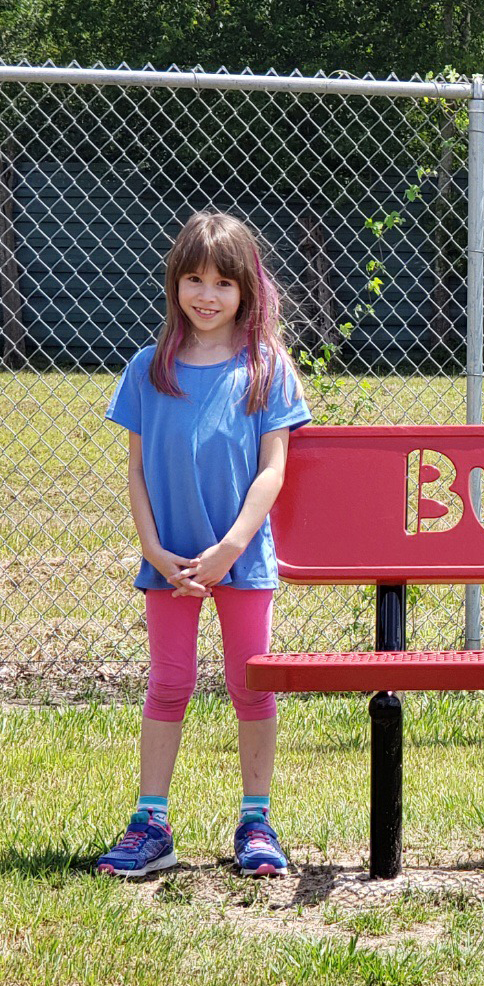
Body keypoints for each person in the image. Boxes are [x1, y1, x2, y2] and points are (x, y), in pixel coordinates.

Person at [98, 211, 311, 878]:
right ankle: (150, 823)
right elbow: (135, 470)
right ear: (175, 284)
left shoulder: (266, 368)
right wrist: (156, 551)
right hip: (169, 562)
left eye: (222, 282)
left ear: (247, 290)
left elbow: (273, 469)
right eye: (193, 279)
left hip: (241, 561)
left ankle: (255, 821)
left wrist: (228, 549)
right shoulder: (147, 369)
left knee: (254, 687)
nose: (207, 295)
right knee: (169, 684)